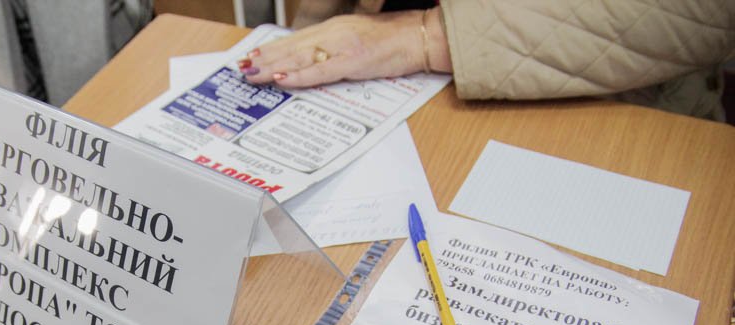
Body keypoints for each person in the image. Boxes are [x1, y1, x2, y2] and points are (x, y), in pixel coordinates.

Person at [240, 0, 735, 121]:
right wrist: (311, 35)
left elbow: (707, 14)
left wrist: (425, 36)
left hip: (605, 104)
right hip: (378, 82)